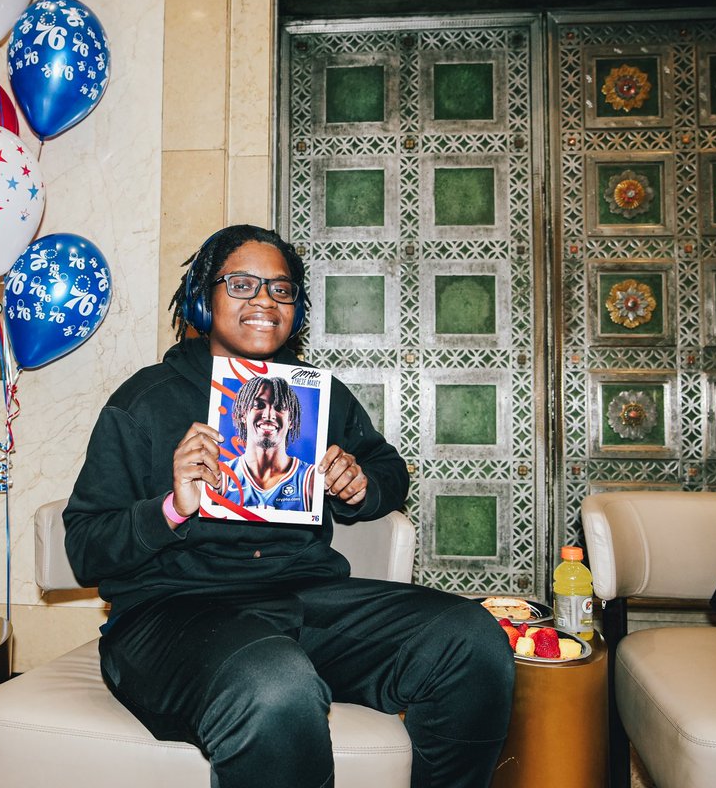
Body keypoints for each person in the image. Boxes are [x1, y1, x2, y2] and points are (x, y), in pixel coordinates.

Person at [63, 224, 514, 788]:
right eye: (243, 284)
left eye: (281, 290)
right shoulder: (145, 401)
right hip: (174, 614)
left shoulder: (316, 394)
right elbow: (84, 547)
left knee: (471, 638)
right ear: (205, 296)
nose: (264, 302)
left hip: (303, 599)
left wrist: (360, 483)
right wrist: (171, 510)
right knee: (274, 682)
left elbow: (390, 471)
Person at [220, 375, 316, 512]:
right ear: (242, 415)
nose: (269, 415)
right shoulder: (222, 478)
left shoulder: (310, 479)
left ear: (291, 421)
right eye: (258, 405)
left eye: (279, 407)